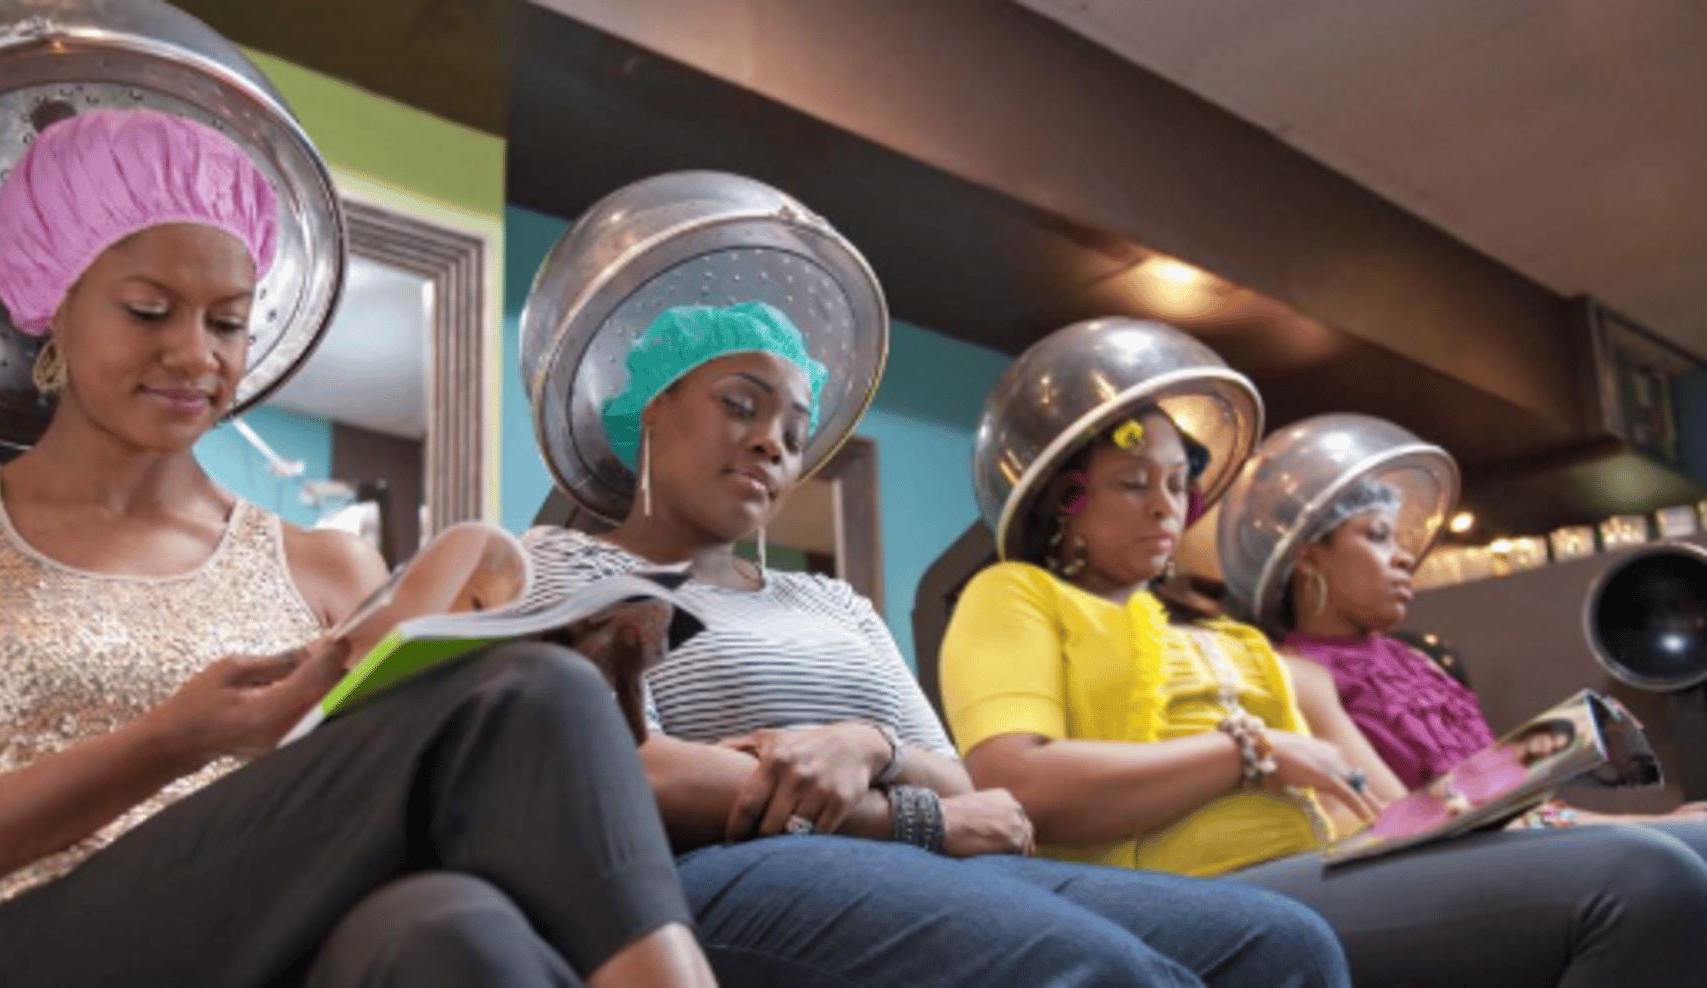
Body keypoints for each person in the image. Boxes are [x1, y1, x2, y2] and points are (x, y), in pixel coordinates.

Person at [0, 108, 714, 988]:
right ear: (51, 303)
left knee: (449, 928)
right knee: (527, 696)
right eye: (149, 311)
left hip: (269, 954)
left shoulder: (324, 569)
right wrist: (165, 746)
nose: (197, 357)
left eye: (228, 321)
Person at [520, 301, 1351, 988]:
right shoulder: (561, 562)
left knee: (1287, 947)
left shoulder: (831, 598)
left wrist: (863, 741)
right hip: (723, 869)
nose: (775, 442)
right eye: (742, 405)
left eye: (795, 428)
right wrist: (918, 821)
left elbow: (972, 789)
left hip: (928, 863)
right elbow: (631, 768)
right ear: (653, 409)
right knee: (1099, 974)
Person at [940, 318, 1707, 988]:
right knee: (1645, 877)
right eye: (1133, 482)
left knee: (1694, 844)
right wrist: (1253, 750)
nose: (1166, 505)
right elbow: (1015, 782)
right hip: (1189, 893)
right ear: (1064, 504)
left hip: (1329, 869)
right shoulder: (1014, 595)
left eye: (1178, 485)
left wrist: (1542, 761)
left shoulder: (1240, 644)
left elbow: (1396, 813)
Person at [1216, 413, 1707, 836]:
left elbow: (1515, 811)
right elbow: (1416, 824)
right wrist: (1646, 829)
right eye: (1377, 536)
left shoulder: (1416, 661)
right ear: (1307, 556)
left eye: (1402, 539)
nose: (1404, 557)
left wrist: (1654, 822)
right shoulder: (1296, 674)